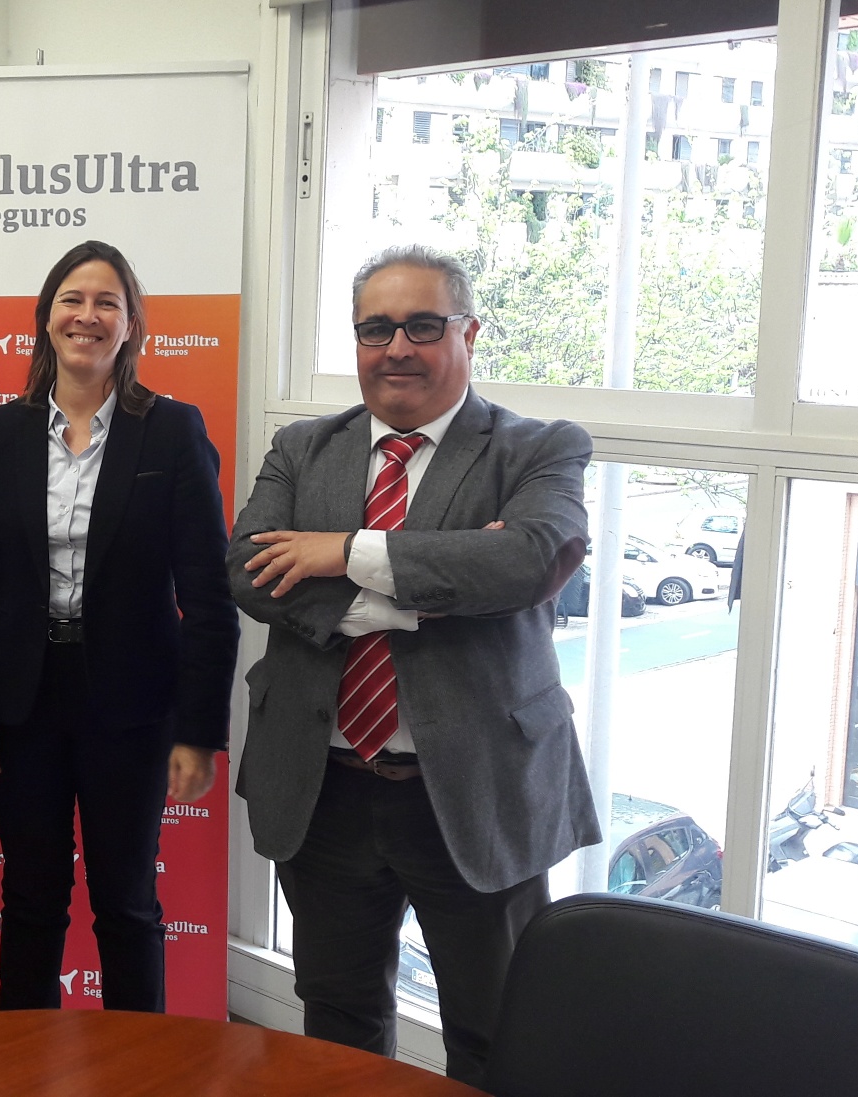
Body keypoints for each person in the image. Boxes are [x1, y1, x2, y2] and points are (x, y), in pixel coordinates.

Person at [228, 243, 596, 1087]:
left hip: (474, 791)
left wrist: (339, 552)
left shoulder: (537, 449)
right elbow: (246, 572)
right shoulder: (302, 447)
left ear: (469, 332)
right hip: (323, 788)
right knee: (337, 1021)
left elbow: (528, 560)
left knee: (493, 1031)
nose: (397, 347)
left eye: (423, 326)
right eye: (377, 328)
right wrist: (432, 588)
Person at [0, 240, 239, 1013]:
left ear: (131, 325)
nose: (88, 315)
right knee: (31, 899)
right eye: (72, 299)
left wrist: (199, 731)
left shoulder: (171, 431)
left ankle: (141, 1064)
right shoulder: (0, 433)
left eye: (108, 302)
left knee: (127, 903)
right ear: (47, 317)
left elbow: (208, 596)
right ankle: (21, 1061)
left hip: (131, 707)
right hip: (20, 702)